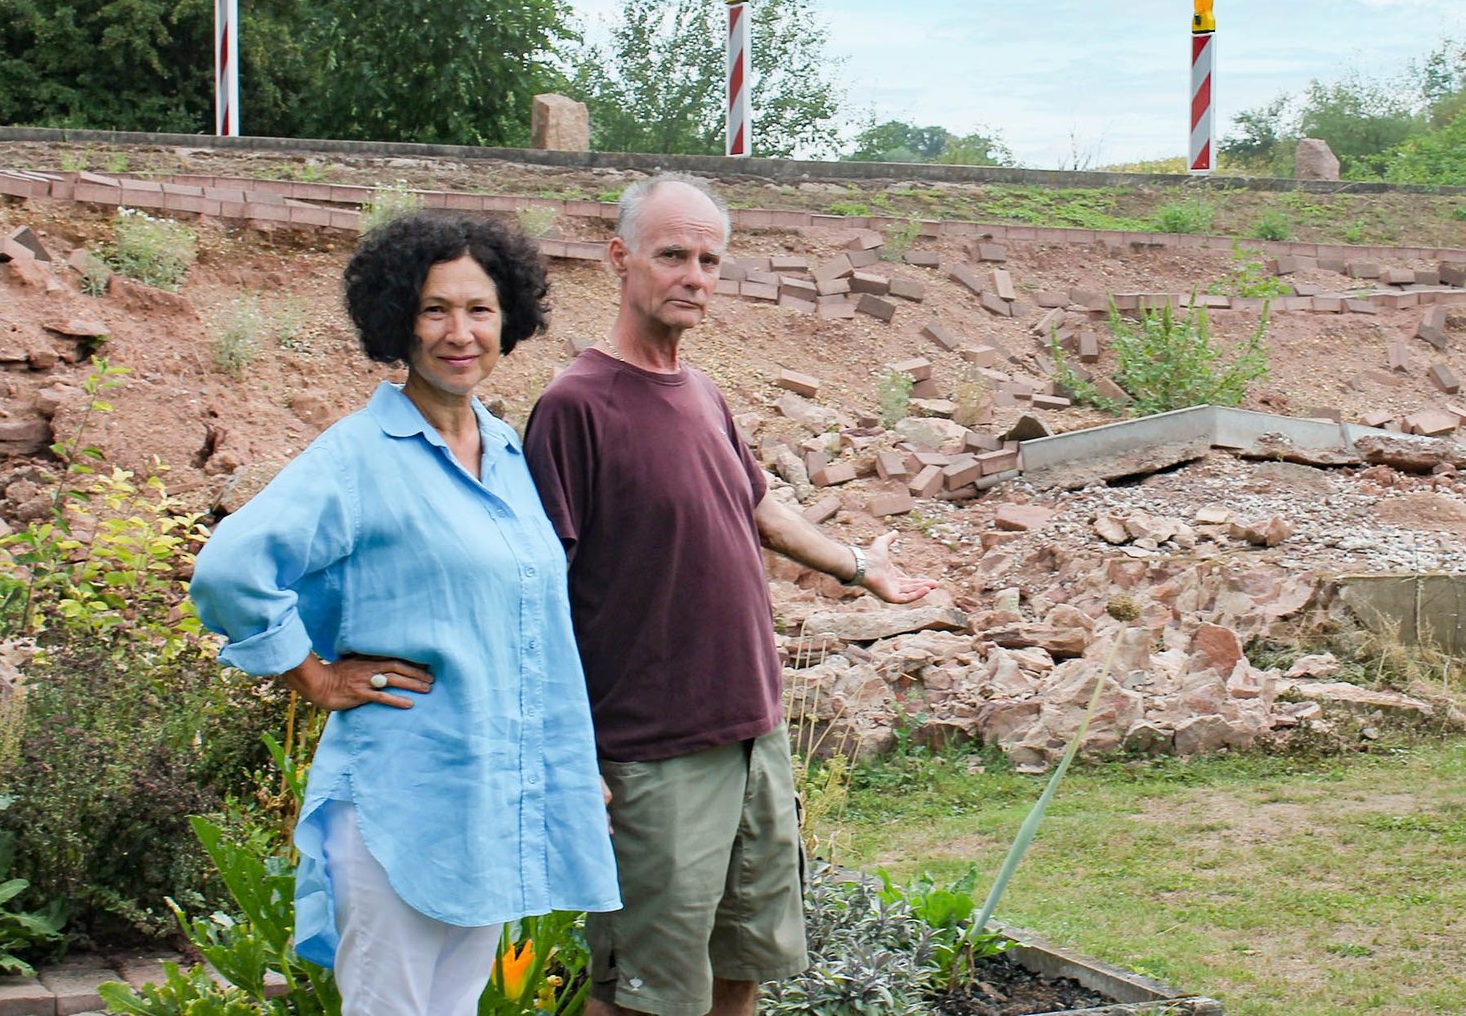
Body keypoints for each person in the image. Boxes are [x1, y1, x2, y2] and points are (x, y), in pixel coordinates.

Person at [523, 173, 937, 1016]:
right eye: (672, 254)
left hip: (752, 732)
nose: (694, 275)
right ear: (620, 257)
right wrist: (567, 754)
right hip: (651, 752)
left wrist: (860, 564)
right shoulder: (575, 407)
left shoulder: (702, 392)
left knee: (740, 971)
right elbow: (537, 597)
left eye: (710, 258)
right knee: (645, 993)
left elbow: (759, 506)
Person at [191, 212, 619, 1015]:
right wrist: (314, 677)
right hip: (400, 805)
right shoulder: (358, 456)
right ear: (398, 319)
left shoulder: (507, 452)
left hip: (486, 804)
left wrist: (566, 770)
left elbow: (528, 636)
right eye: (434, 309)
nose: (459, 332)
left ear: (509, 318)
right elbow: (230, 568)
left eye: (479, 309)